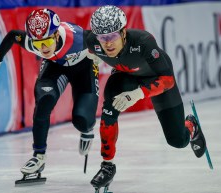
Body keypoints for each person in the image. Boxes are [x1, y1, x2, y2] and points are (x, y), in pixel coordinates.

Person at [85, 5, 207, 191]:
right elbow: (64, 36)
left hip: (157, 78)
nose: (107, 43)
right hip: (125, 76)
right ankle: (107, 166)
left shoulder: (143, 41)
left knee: (178, 141)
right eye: (102, 38)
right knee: (108, 109)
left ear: (123, 32)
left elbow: (167, 81)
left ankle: (191, 126)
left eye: (112, 37)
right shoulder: (92, 41)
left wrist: (138, 94)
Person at [0, 8, 98, 182]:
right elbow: (13, 35)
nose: (42, 48)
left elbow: (110, 43)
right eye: (37, 44)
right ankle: (39, 156)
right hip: (55, 67)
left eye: (47, 42)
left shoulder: (81, 40)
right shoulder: (33, 41)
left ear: (57, 35)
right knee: (44, 101)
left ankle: (87, 128)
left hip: (84, 68)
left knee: (82, 120)